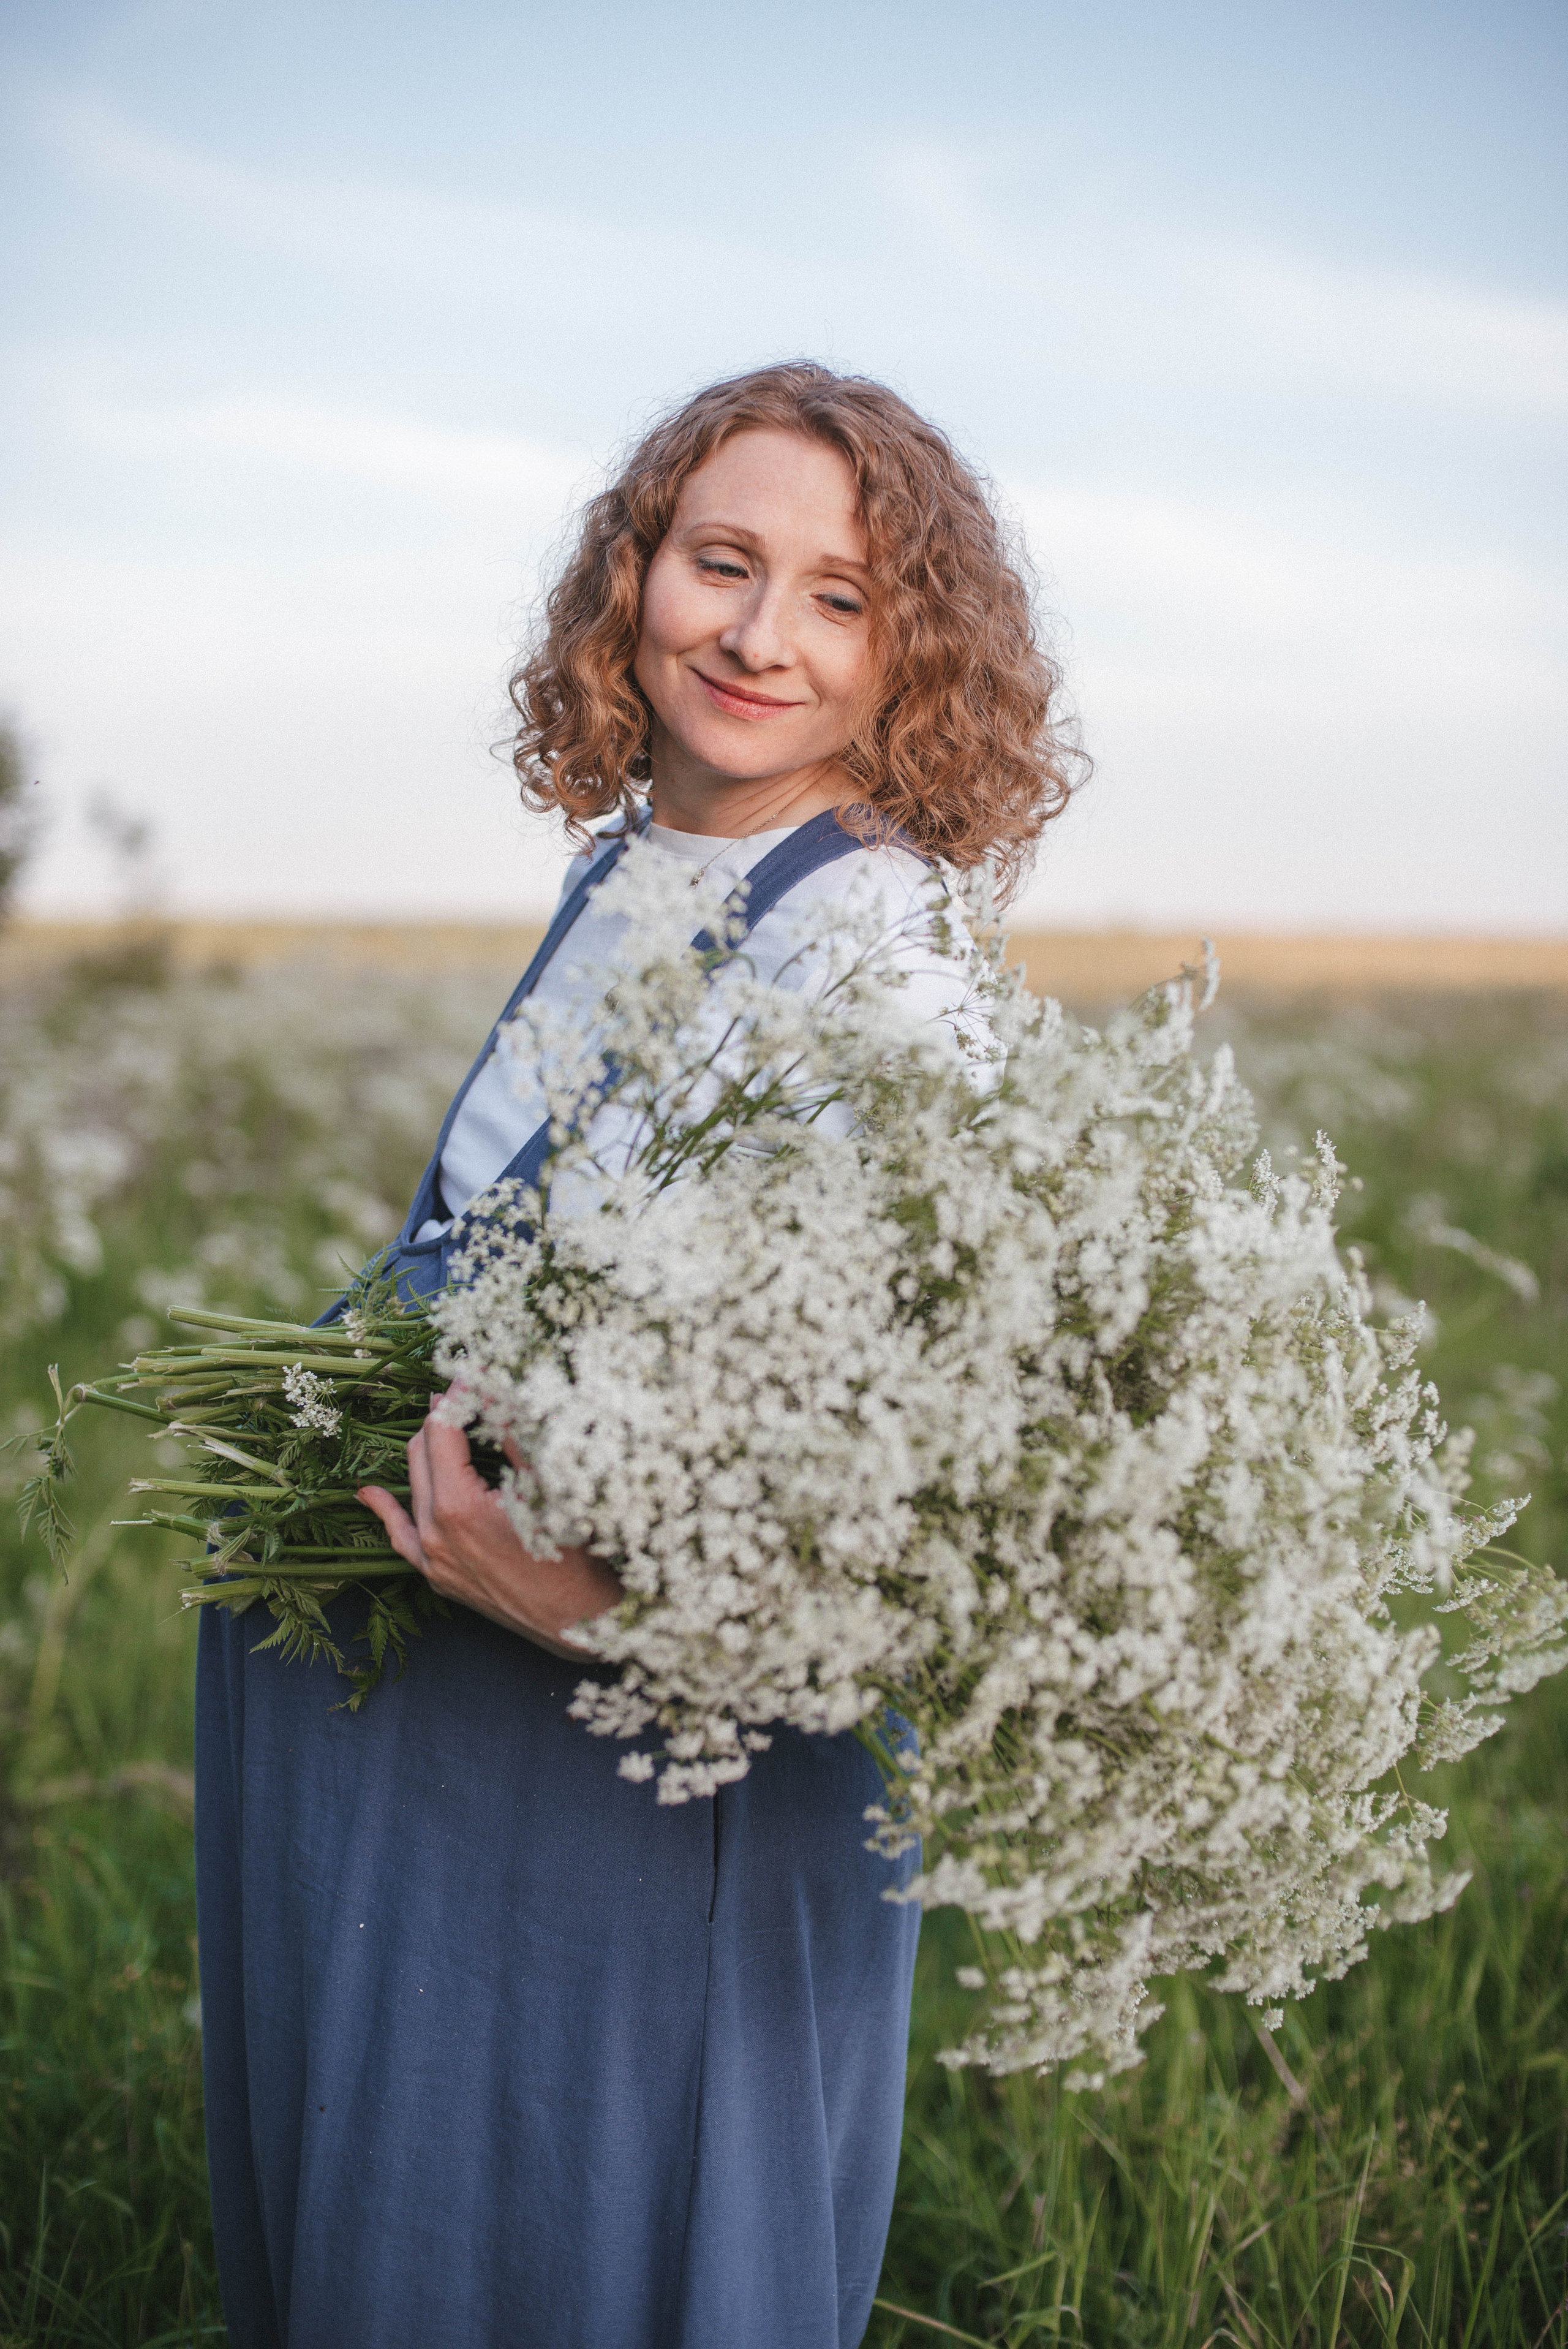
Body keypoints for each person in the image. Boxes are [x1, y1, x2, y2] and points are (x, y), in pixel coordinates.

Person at [195, 361, 1079, 2349]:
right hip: (435, 1743)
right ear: (636, 577)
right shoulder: (635, 863)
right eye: (723, 562)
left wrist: (594, 1615)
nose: (762, 635)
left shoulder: (879, 964)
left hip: (614, 1792)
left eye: (844, 597)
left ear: (915, 647)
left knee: (594, 2252)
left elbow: (921, 1518)